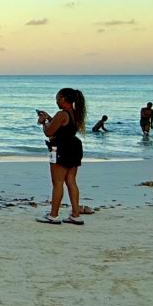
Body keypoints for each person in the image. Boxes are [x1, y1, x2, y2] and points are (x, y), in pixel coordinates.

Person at [38, 87, 87, 225]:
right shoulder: (75, 113)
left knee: (57, 182)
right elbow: (64, 127)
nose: (56, 101)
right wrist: (49, 118)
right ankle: (75, 214)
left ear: (64, 99)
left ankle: (53, 215)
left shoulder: (62, 114)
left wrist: (43, 122)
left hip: (60, 148)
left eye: (58, 98)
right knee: (71, 181)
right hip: (74, 147)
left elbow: (49, 132)